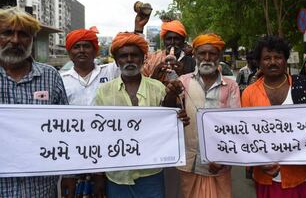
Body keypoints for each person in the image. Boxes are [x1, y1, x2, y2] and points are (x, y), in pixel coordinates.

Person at [94, 32, 189, 198]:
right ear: (116, 60)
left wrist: (178, 118)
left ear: (143, 59)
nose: (129, 60)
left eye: (134, 55)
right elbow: (99, 135)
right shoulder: (104, 91)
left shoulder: (158, 88)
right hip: (117, 174)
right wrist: (99, 175)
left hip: (150, 173)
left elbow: (169, 123)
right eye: (124, 56)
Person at [241, 35, 306, 198]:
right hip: (266, 177)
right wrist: (259, 161)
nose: (273, 62)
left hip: (300, 176)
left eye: (278, 57)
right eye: (267, 58)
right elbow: (245, 134)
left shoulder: (302, 86)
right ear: (259, 62)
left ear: (285, 60)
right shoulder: (249, 93)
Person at [0, 7, 68, 197]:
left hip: (40, 188)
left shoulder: (50, 76)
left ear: (32, 39)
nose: (15, 40)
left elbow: (66, 128)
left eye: (23, 34)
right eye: (7, 32)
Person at [169, 33, 240, 198]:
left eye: (212, 53)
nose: (207, 58)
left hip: (219, 163)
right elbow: (172, 115)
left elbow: (235, 126)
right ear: (194, 55)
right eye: (202, 53)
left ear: (219, 56)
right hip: (190, 162)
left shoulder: (231, 86)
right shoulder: (183, 82)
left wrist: (224, 157)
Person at [60, 28, 120, 197]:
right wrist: (67, 173)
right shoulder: (60, 79)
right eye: (76, 46)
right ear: (69, 52)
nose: (81, 50)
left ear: (95, 50)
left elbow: (128, 51)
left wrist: (138, 28)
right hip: (72, 154)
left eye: (86, 46)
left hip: (106, 152)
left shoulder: (110, 71)